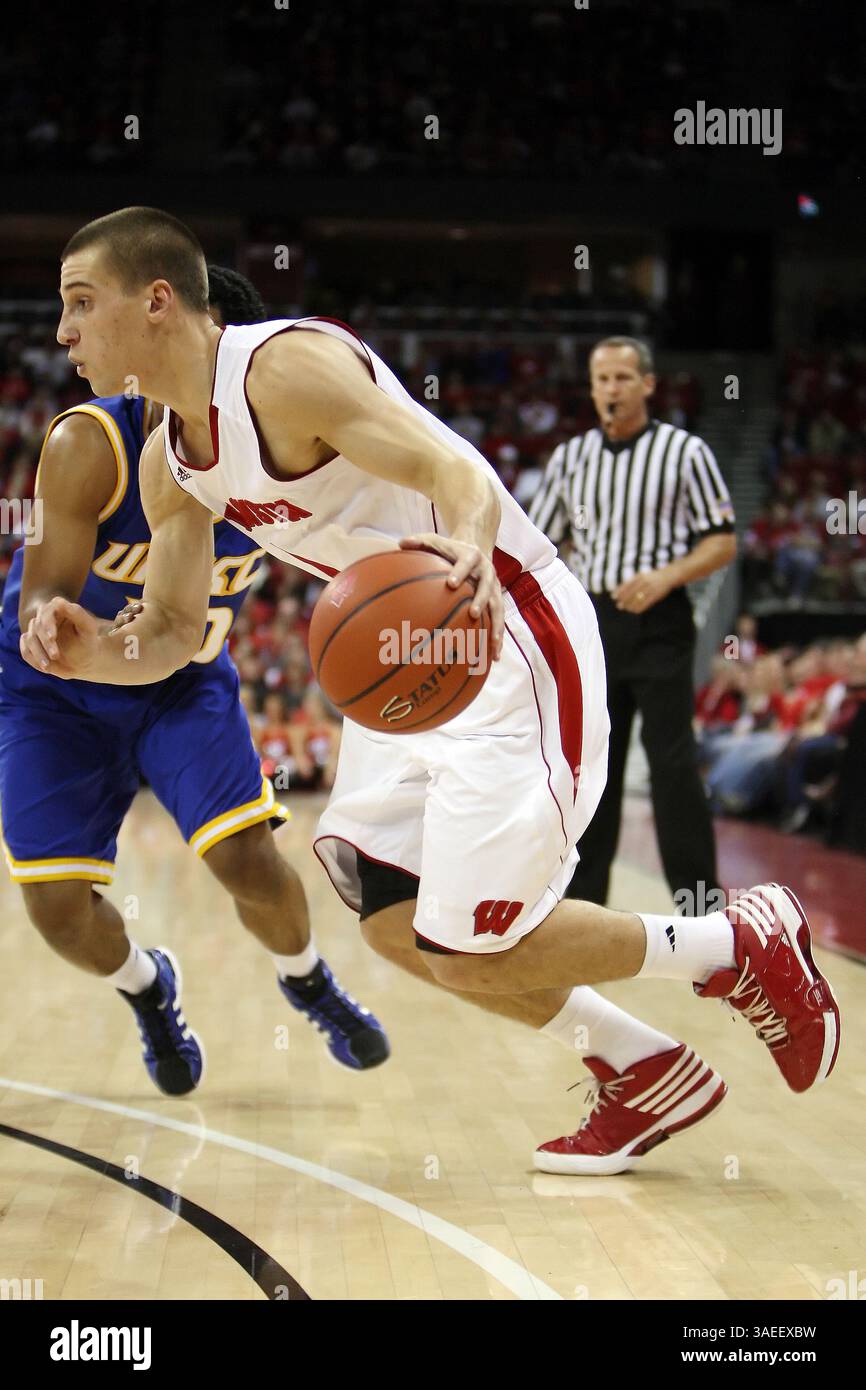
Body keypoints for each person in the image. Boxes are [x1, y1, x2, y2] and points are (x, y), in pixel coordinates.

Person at [25, 207, 841, 1176]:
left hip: (496, 626)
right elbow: (164, 635)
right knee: (392, 919)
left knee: (468, 940)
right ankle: (638, 1064)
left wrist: (463, 537)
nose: (64, 332)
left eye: (82, 304)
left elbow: (450, 466)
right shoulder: (171, 461)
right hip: (404, 674)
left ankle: (730, 940)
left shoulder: (280, 369)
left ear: (157, 299)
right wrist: (82, 653)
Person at [0, 263, 388, 1097]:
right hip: (55, 689)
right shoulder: (89, 441)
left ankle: (308, 977)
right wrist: (48, 623)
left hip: (180, 678)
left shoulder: (281, 451)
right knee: (57, 910)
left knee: (247, 858)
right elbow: (43, 585)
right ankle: (148, 988)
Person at [528, 336, 735, 912]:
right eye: (602, 380)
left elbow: (722, 540)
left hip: (661, 619)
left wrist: (667, 577)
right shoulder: (570, 458)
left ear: (648, 384)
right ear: (591, 388)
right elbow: (537, 541)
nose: (612, 390)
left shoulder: (684, 452)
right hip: (595, 621)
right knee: (595, 762)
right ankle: (583, 904)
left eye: (623, 378)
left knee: (671, 760)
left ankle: (700, 905)